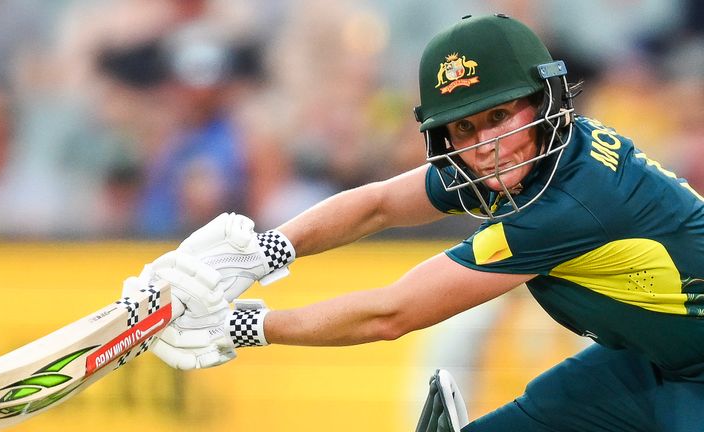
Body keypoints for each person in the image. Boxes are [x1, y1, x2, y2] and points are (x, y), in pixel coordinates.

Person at [125, 14, 704, 431]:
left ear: (545, 100)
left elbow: (391, 314)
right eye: (464, 127)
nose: (485, 144)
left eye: (500, 115)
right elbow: (379, 204)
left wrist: (244, 326)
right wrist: (262, 252)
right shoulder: (534, 152)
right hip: (649, 360)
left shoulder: (570, 204)